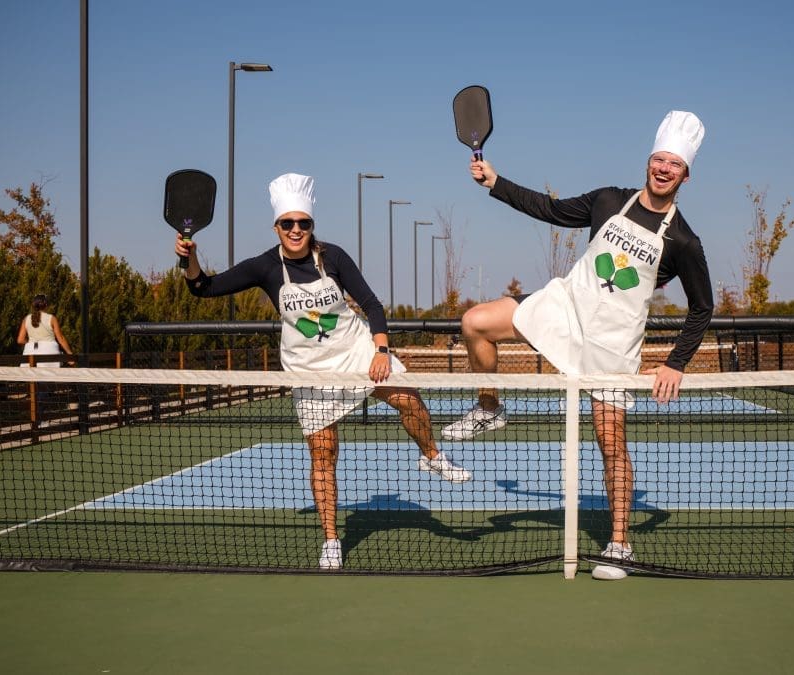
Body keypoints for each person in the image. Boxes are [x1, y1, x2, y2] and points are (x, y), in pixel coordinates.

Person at [443, 110, 714, 579]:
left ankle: (620, 545)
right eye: (658, 159)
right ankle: (490, 407)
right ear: (648, 161)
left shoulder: (685, 242)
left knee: (611, 444)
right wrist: (495, 181)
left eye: (674, 163)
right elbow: (550, 210)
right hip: (563, 309)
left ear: (686, 174)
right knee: (475, 323)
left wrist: (675, 363)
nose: (663, 168)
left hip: (612, 347)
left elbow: (702, 308)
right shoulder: (608, 200)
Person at [176, 172, 472, 570]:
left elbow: (372, 304)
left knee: (409, 399)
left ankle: (432, 455)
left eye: (303, 223)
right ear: (277, 227)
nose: (296, 230)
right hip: (309, 372)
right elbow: (203, 288)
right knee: (324, 453)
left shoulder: (332, 256)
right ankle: (331, 539)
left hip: (356, 353)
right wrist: (188, 258)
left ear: (311, 226)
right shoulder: (264, 267)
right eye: (288, 224)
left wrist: (381, 350)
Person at [17, 294, 73, 366]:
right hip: (49, 352)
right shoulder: (51, 318)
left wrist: (31, 341)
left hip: (30, 352)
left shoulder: (26, 319)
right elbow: (61, 339)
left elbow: (20, 340)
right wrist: (69, 353)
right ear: (46, 305)